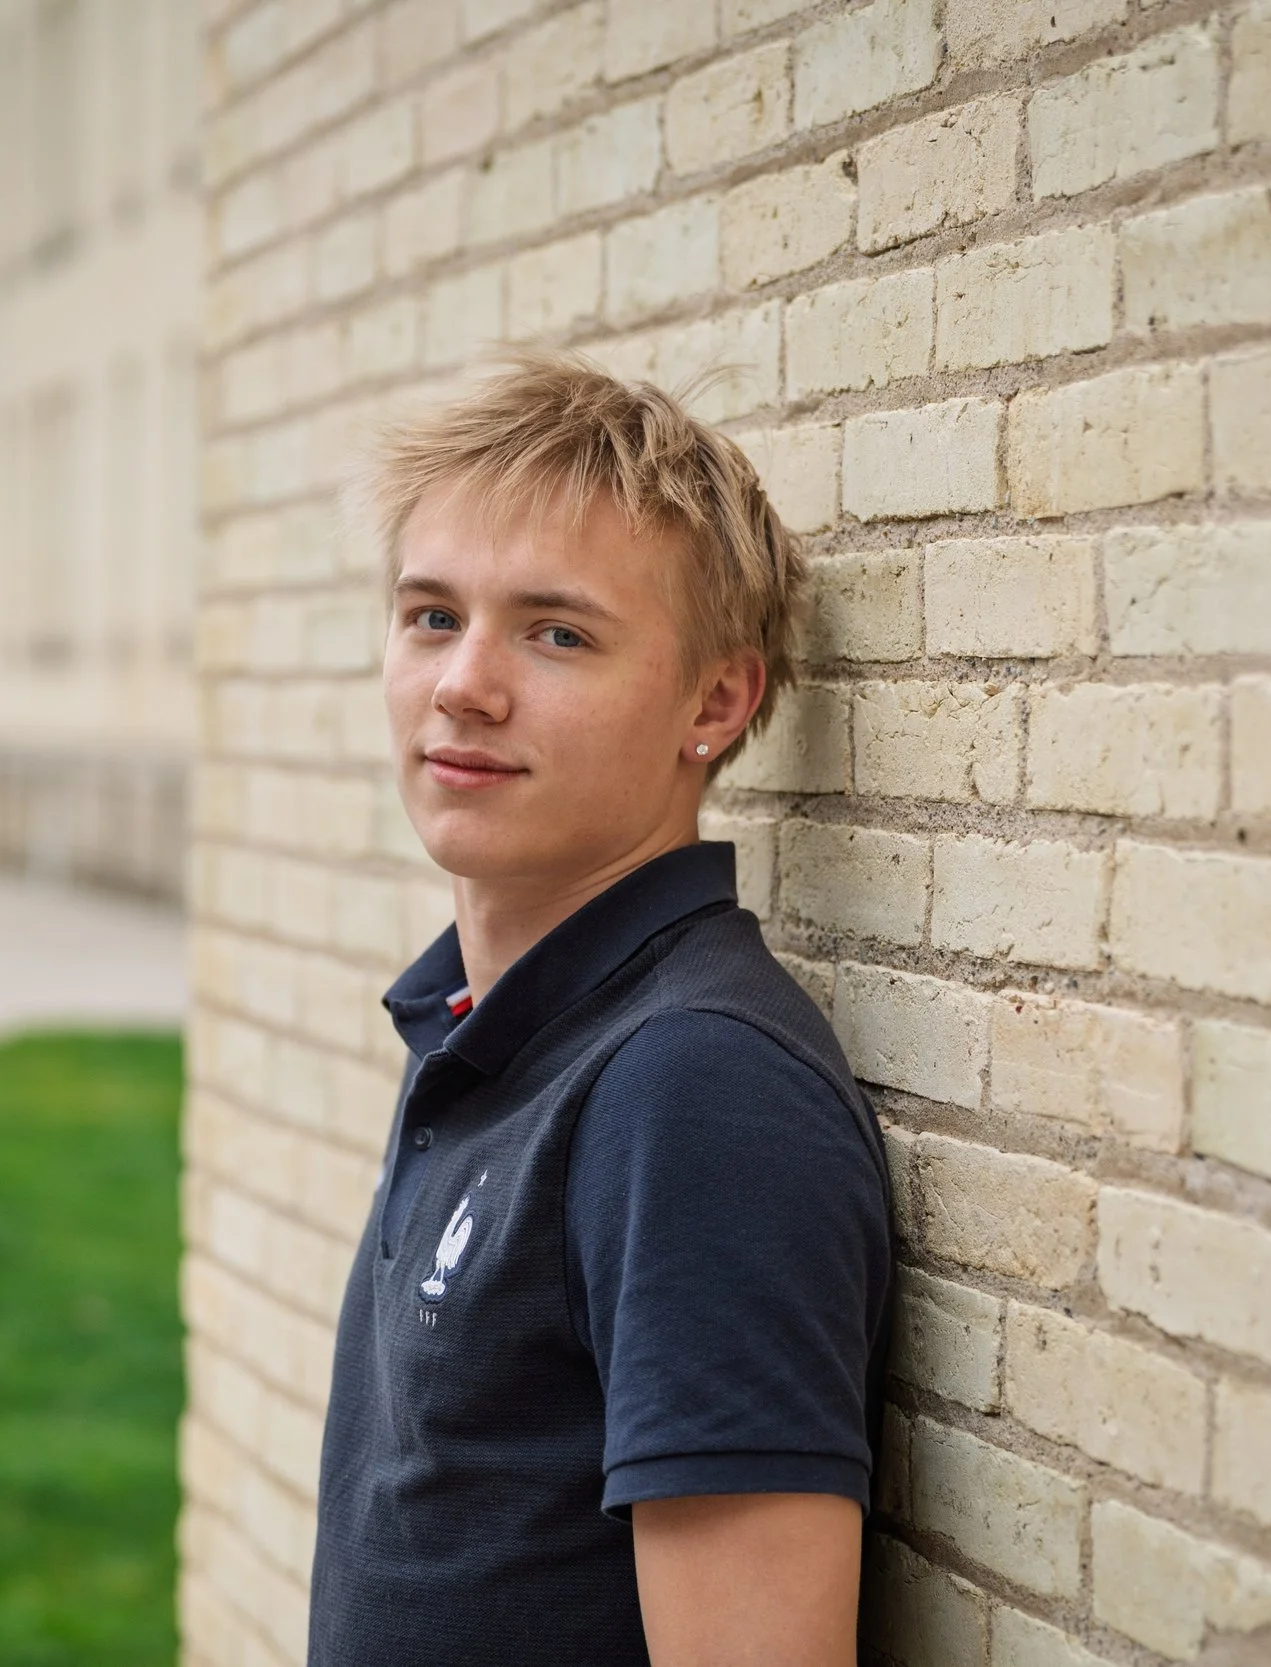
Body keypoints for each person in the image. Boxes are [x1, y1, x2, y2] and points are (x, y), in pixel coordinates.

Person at [308, 350, 893, 1667]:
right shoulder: (492, 1021)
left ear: (716, 700)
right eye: (430, 615)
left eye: (556, 631)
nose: (464, 681)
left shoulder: (691, 1090)